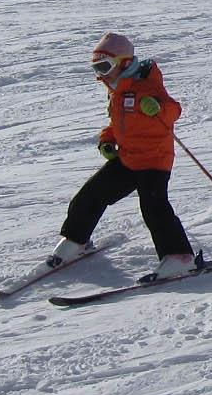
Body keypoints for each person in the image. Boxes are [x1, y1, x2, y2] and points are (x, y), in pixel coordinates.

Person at [50, 32, 199, 283]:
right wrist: (107, 140)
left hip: (154, 159)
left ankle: (180, 257)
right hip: (128, 158)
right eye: (96, 67)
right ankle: (77, 240)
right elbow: (116, 125)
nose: (100, 74)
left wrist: (158, 107)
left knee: (154, 208)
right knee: (90, 195)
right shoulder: (117, 90)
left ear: (126, 63)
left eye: (105, 66)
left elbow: (174, 110)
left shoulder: (147, 85)